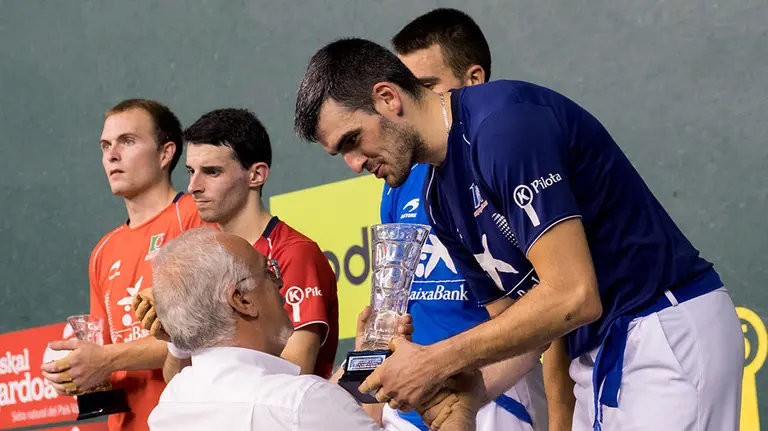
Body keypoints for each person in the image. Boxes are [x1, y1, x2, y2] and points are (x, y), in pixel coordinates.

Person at [293, 38, 744, 430]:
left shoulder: (502, 126)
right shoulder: (437, 198)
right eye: (340, 154)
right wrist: (467, 399)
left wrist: (434, 361)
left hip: (659, 327)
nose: (354, 164)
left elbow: (573, 294)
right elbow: (521, 330)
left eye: (352, 140)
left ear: (388, 98)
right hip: (600, 351)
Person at [379, 9, 552, 431]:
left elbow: (548, 311)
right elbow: (390, 299)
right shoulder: (398, 178)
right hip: (410, 402)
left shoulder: (506, 156)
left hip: (495, 391)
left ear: (474, 81)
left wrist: (469, 389)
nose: (408, 107)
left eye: (425, 87)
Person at [146, 227, 480, 431]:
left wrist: (362, 362)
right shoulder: (300, 404)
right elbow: (304, 407)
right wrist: (458, 417)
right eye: (268, 272)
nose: (280, 284)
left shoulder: (172, 403)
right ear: (243, 301)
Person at [41, 99, 207, 430]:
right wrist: (78, 370)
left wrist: (105, 359)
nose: (111, 155)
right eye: (105, 146)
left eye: (127, 141)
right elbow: (103, 352)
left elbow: (205, 334)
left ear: (165, 153)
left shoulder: (195, 216)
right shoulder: (103, 251)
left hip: (191, 421)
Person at [136, 108, 339, 379]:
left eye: (211, 172)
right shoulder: (203, 261)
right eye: (191, 171)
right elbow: (177, 383)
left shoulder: (293, 253)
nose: (194, 186)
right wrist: (177, 339)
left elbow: (293, 372)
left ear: (256, 175)